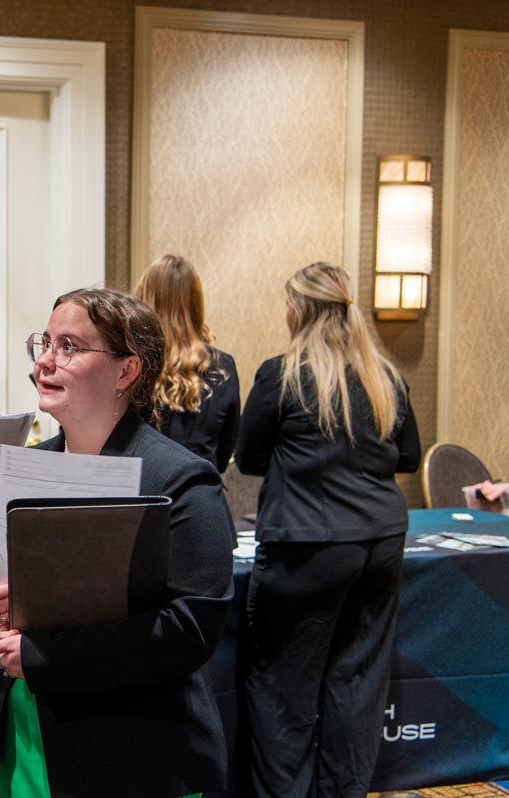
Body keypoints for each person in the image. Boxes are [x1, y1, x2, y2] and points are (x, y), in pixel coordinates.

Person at [0, 287, 234, 798]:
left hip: (131, 747)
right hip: (26, 731)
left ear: (126, 371)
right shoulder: (28, 464)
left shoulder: (179, 479)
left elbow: (189, 629)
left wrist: (46, 657)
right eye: (43, 343)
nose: (44, 360)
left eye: (67, 346)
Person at [235, 262, 421, 798]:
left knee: (282, 691)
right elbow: (408, 456)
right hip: (381, 543)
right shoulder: (384, 375)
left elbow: (248, 458)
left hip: (307, 549)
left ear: (296, 311)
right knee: (357, 685)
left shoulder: (282, 373)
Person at [134, 254, 239, 473]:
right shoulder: (223, 367)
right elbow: (224, 453)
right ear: (196, 304)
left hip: (145, 494)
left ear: (144, 299)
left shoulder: (132, 364)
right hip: (202, 492)